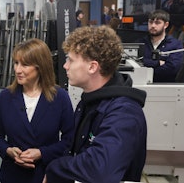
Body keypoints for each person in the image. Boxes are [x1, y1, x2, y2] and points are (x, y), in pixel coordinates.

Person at [42, 26, 147, 183]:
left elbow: (101, 170)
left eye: (70, 60)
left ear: (92, 67)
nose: (65, 66)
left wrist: (55, 169)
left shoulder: (124, 112)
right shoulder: (89, 101)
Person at [0, 38, 75, 183]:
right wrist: (8, 150)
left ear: (40, 67)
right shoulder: (5, 97)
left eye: (25, 64)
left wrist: (42, 153)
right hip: (13, 175)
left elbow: (69, 140)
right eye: (16, 63)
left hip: (46, 174)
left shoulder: (60, 97)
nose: (17, 70)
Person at [139, 9, 183, 82]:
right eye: (150, 22)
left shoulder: (175, 44)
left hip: (165, 86)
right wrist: (158, 63)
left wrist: (147, 69)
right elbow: (136, 63)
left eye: (157, 23)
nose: (153, 25)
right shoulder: (140, 43)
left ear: (166, 25)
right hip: (142, 85)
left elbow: (172, 69)